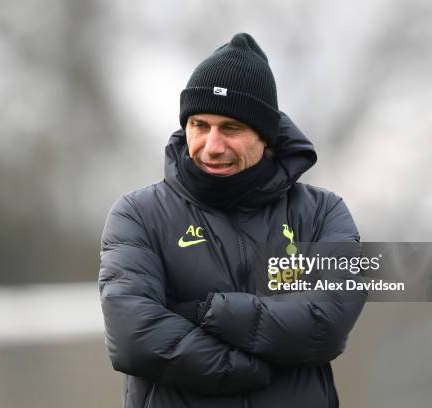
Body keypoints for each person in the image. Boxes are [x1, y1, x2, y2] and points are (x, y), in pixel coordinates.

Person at [99, 33, 367, 408]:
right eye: (199, 125)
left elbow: (328, 322)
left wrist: (207, 311)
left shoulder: (323, 212)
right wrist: (243, 367)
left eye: (231, 128)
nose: (212, 145)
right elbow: (135, 336)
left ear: (267, 137)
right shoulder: (138, 214)